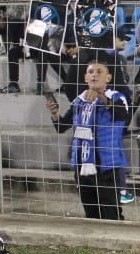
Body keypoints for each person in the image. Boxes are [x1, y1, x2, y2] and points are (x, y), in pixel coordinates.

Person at [49, 62, 130, 221]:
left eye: (99, 72)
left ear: (108, 78)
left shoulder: (117, 97)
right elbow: (61, 126)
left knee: (111, 213)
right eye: (91, 72)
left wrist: (100, 96)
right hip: (82, 165)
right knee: (91, 213)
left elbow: (121, 116)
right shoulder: (79, 101)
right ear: (86, 78)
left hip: (107, 165)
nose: (94, 74)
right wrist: (54, 113)